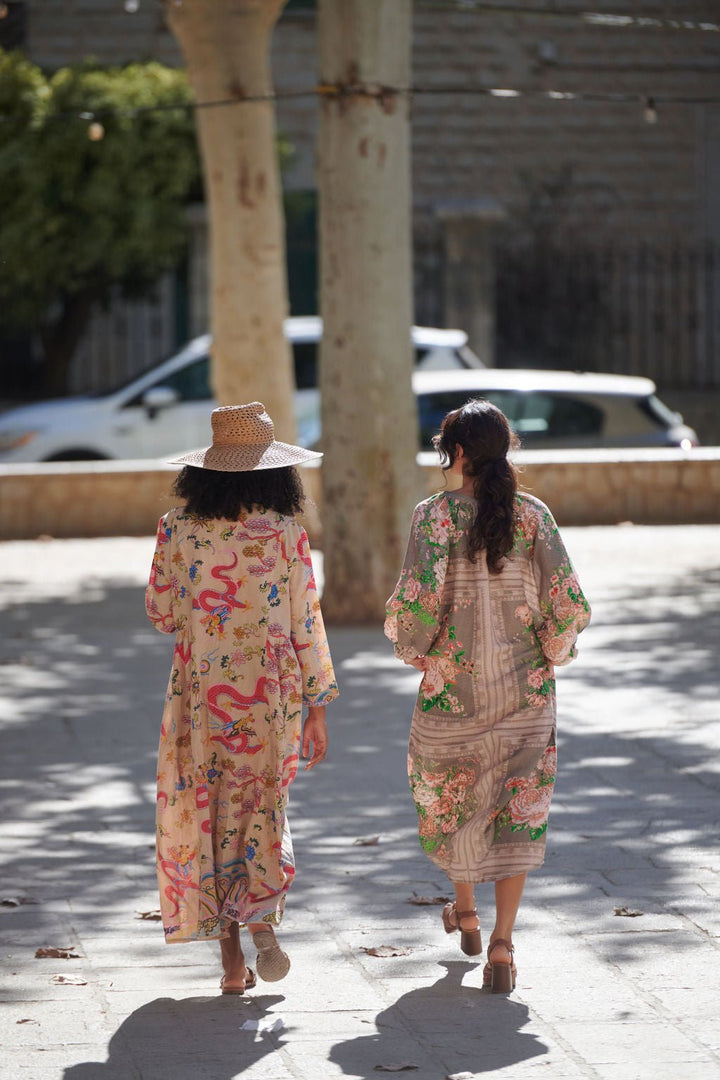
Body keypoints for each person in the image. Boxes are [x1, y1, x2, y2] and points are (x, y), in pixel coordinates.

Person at [385, 399, 590, 994]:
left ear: (458, 452)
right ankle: (501, 946)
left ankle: (465, 910)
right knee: (517, 812)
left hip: (454, 693)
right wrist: (550, 653)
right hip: (527, 696)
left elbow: (416, 606)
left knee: (450, 796)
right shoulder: (533, 515)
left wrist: (418, 651)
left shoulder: (433, 517)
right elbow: (568, 603)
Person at [145, 402, 338, 995]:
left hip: (204, 694)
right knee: (263, 808)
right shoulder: (286, 536)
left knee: (212, 812)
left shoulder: (176, 530)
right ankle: (262, 917)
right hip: (273, 699)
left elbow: (161, 613)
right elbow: (307, 622)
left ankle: (233, 964)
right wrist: (319, 706)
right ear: (277, 474)